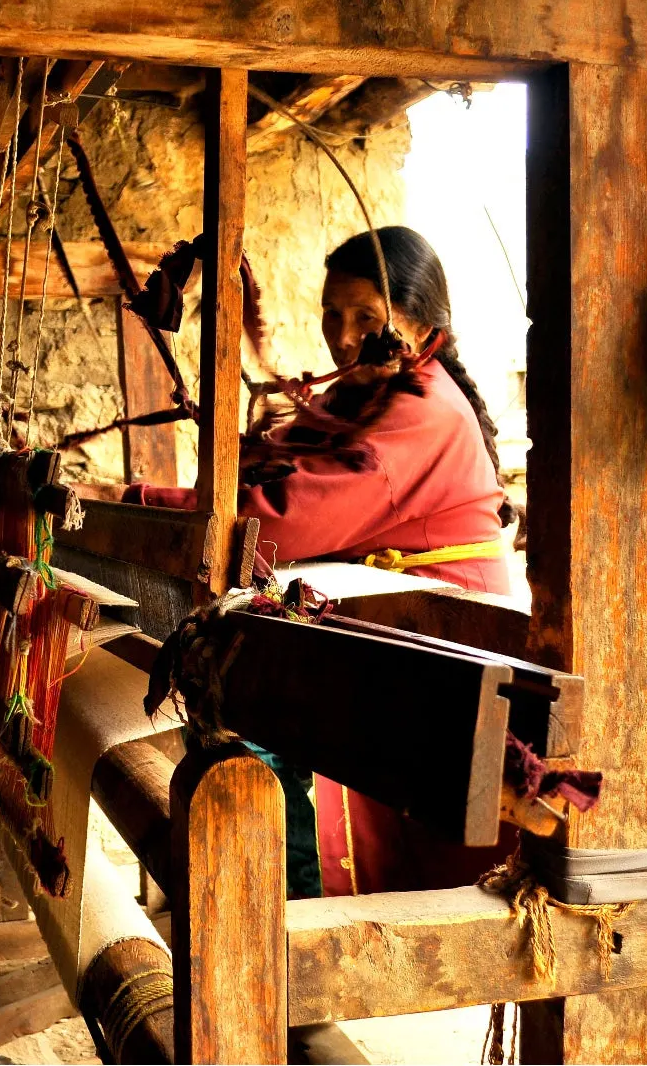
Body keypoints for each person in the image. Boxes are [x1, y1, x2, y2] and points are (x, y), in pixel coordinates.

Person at [118, 226, 518, 896]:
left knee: (267, 715)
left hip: (438, 648)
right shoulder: (362, 395)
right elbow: (263, 462)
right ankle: (254, 895)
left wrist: (132, 502)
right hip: (385, 630)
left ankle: (284, 908)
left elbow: (284, 516)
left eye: (367, 318)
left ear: (420, 327)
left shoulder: (426, 412)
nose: (343, 335)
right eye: (333, 315)